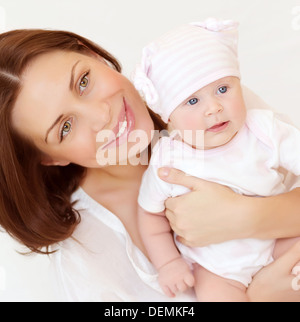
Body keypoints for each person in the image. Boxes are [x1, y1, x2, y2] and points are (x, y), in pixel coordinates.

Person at [0, 28, 300, 302]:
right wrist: (262, 294)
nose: (102, 115)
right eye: (65, 127)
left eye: (83, 81)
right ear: (50, 158)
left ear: (92, 55)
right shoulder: (89, 260)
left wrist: (248, 216)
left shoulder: (207, 102)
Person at [133, 18, 300, 301]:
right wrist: (169, 263)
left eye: (223, 89)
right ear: (169, 117)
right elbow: (150, 215)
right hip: (217, 270)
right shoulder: (168, 160)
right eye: (193, 101)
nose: (214, 108)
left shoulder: (263, 129)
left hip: (277, 238)